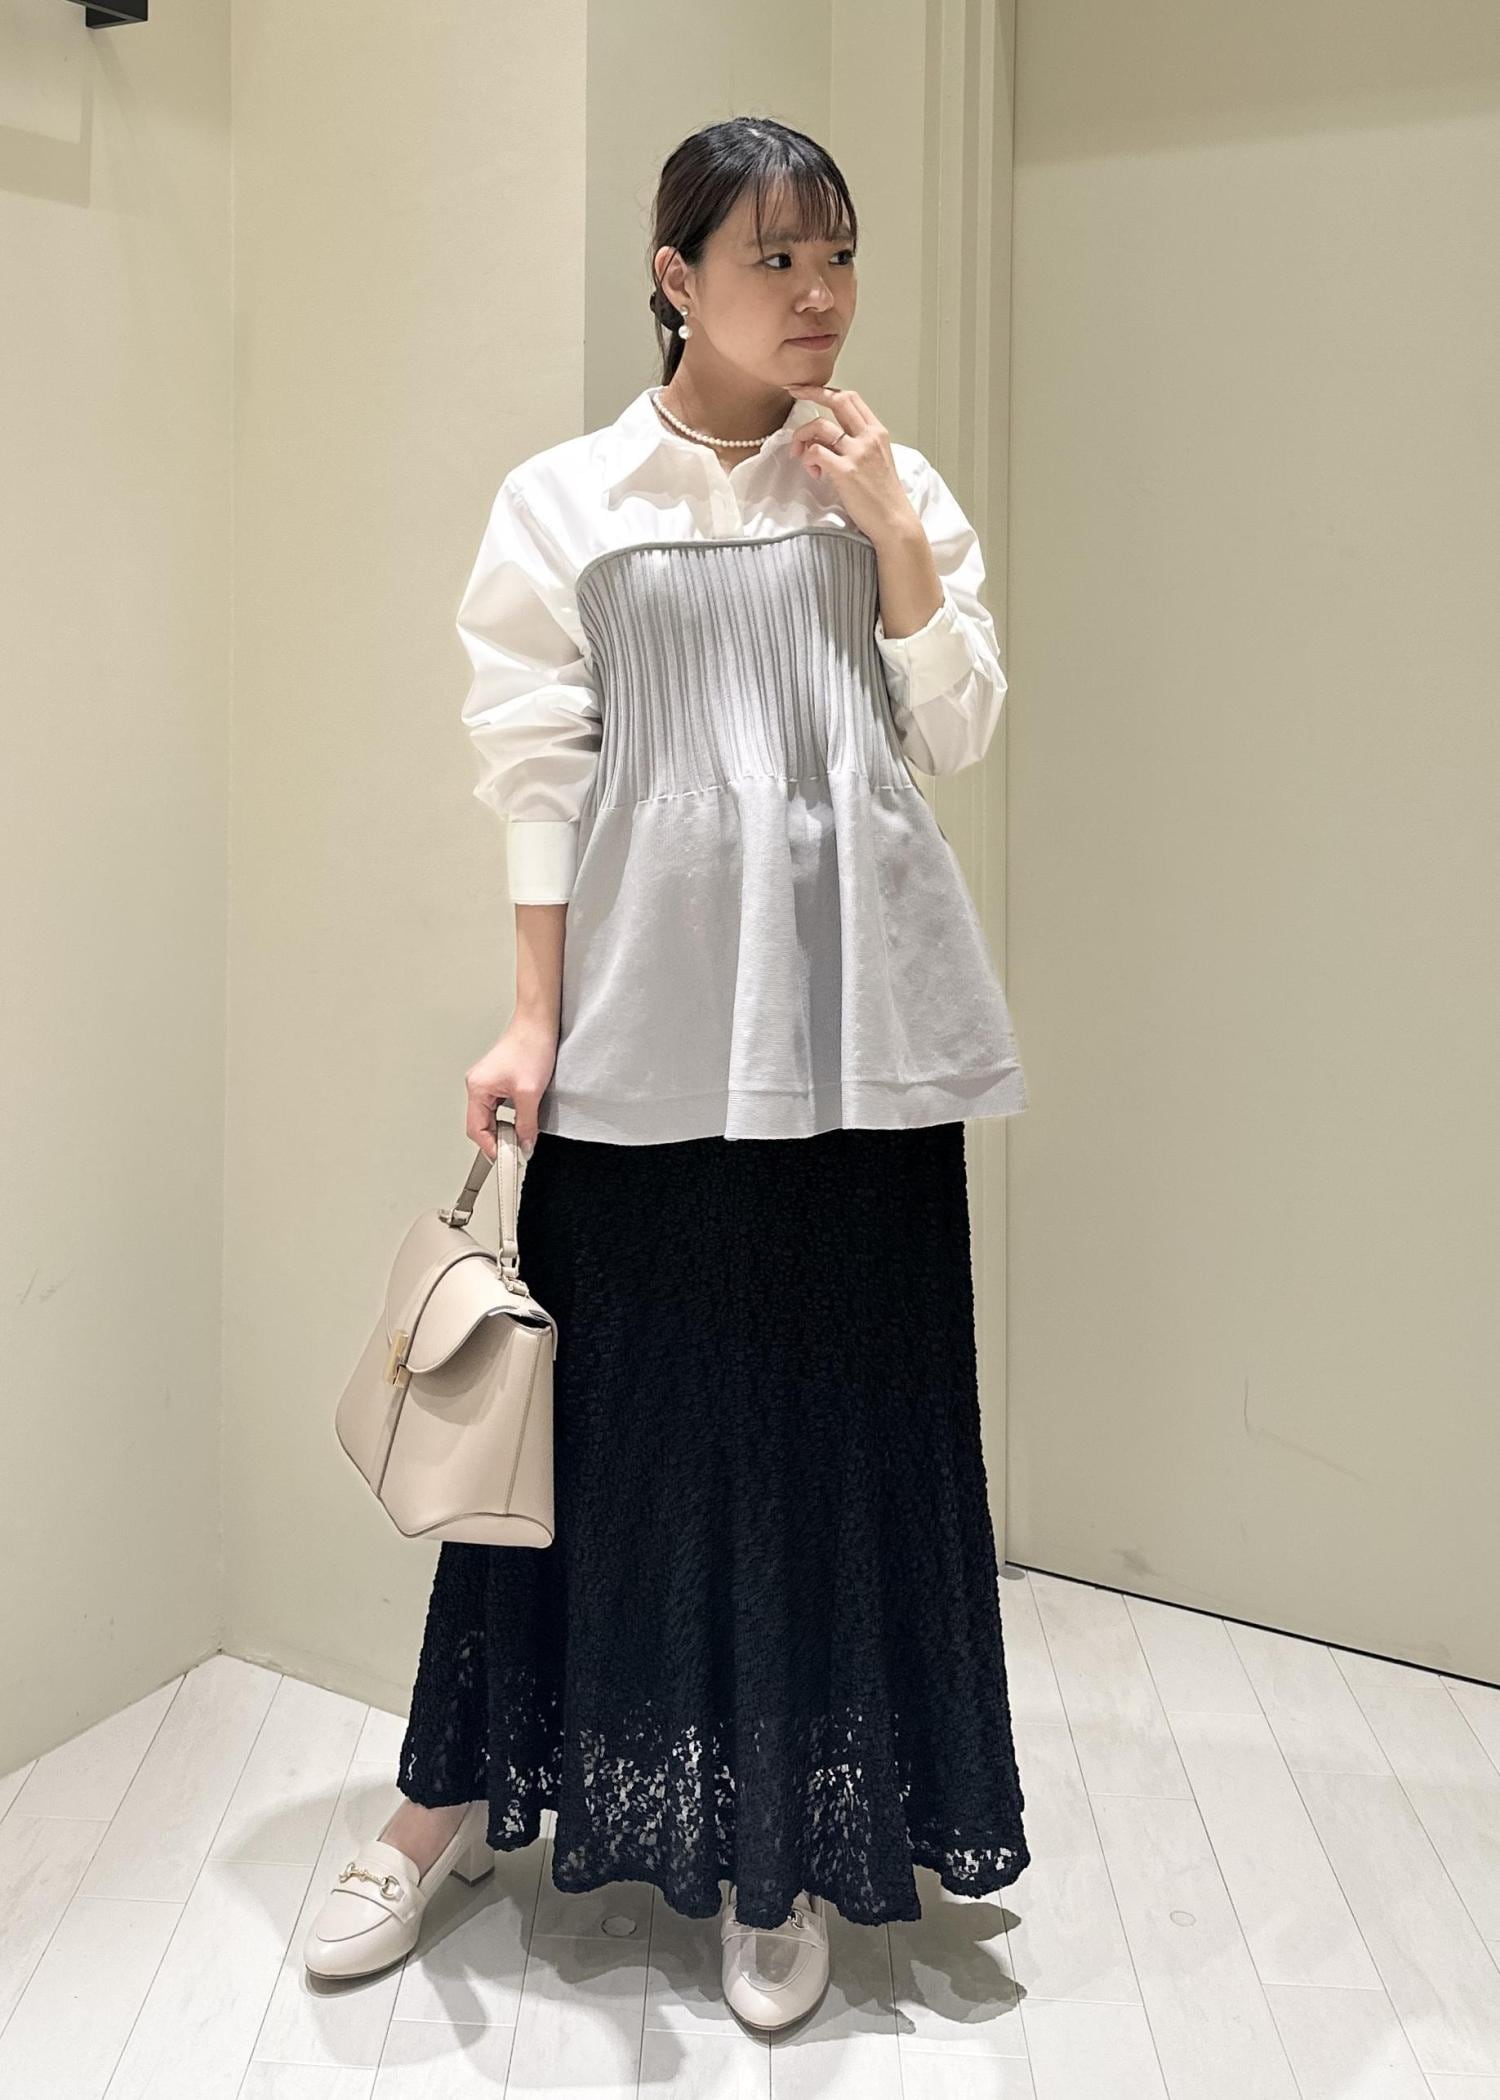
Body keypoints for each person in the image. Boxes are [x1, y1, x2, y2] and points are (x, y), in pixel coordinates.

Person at [305, 113, 1030, 2033]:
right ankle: (447, 1800)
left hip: (857, 1046)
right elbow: (539, 770)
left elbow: (959, 729)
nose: (820, 294)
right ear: (674, 278)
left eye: (839, 255)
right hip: (647, 1022)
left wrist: (891, 534)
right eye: (776, 258)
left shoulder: (882, 482)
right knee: (587, 1429)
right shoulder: (568, 501)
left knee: (829, 1422)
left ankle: (773, 1844)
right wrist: (530, 1017)